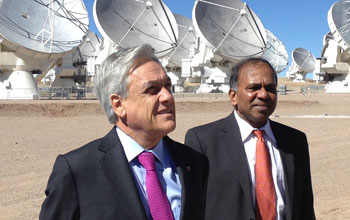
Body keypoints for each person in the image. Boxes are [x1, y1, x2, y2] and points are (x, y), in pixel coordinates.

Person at [40, 44, 208, 220]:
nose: (167, 97)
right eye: (152, 89)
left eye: (168, 86)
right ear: (118, 105)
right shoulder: (78, 171)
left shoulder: (194, 163)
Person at [185, 58, 315, 220]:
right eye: (253, 88)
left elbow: (305, 205)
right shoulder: (203, 141)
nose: (263, 94)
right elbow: (192, 207)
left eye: (270, 88)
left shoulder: (295, 141)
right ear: (233, 96)